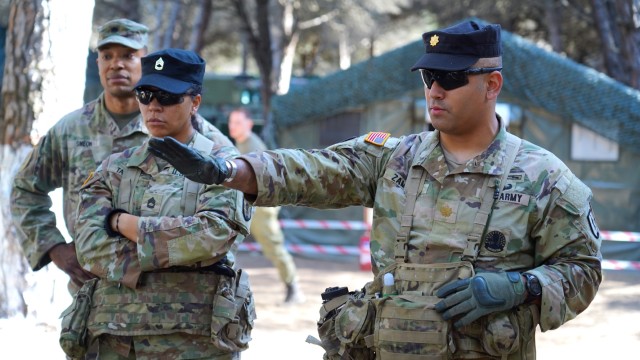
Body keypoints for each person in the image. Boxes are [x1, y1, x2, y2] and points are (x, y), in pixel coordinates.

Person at [147, 20, 603, 359]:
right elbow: (312, 168)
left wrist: (520, 287)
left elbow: (583, 268)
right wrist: (228, 170)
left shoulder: (543, 177)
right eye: (428, 78)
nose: (435, 91)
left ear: (492, 85)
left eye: (451, 79)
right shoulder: (393, 158)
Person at [11, 18, 232, 294]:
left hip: (174, 292)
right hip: (94, 292)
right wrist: (54, 247)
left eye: (129, 55)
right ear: (98, 64)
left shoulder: (204, 140)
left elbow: (222, 220)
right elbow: (24, 189)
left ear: (146, 62)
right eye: (107, 56)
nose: (116, 64)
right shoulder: (71, 129)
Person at [68, 48, 254, 359]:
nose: (154, 106)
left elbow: (211, 239)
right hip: (115, 338)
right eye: (146, 94)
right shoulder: (113, 168)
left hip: (194, 342)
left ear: (195, 102)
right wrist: (175, 255)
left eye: (167, 96)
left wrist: (122, 224)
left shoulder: (224, 167)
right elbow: (88, 246)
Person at [227, 107, 304, 304]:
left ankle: (293, 287)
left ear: (249, 124)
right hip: (245, 205)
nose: (232, 126)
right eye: (231, 122)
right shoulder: (240, 144)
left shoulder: (253, 146)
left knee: (273, 247)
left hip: (260, 206)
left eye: (237, 122)